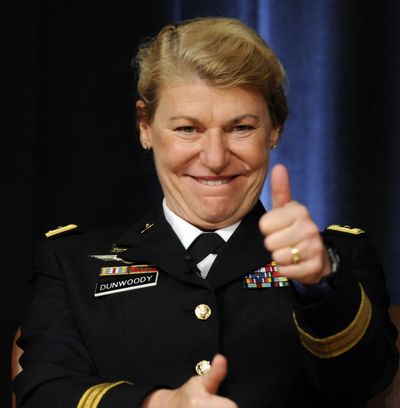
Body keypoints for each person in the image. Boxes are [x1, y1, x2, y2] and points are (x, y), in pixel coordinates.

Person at [14, 17, 398, 408]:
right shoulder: (72, 263)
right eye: (187, 129)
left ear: (275, 129)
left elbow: (368, 381)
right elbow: (42, 392)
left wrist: (319, 286)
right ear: (145, 126)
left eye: (241, 128)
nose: (215, 158)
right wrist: (157, 405)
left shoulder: (336, 260)